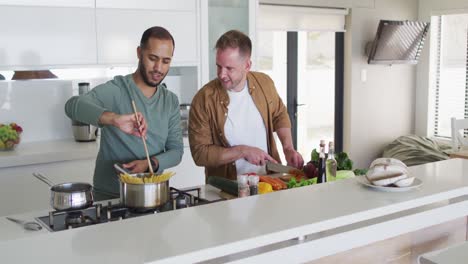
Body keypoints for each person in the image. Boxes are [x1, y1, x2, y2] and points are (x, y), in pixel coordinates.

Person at [65, 26, 183, 200]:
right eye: (152, 58)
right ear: (139, 53)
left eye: (166, 61)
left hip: (152, 195)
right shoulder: (118, 90)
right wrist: (113, 119)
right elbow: (72, 105)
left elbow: (176, 151)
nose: (158, 67)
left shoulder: (170, 101)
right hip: (111, 196)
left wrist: (149, 164)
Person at [189, 30, 303, 180]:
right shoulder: (203, 99)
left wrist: (288, 148)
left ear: (247, 65)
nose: (221, 74)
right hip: (227, 189)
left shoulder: (265, 83)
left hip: (270, 182)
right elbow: (200, 154)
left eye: (229, 68)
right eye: (218, 66)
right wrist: (243, 151)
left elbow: (279, 115)